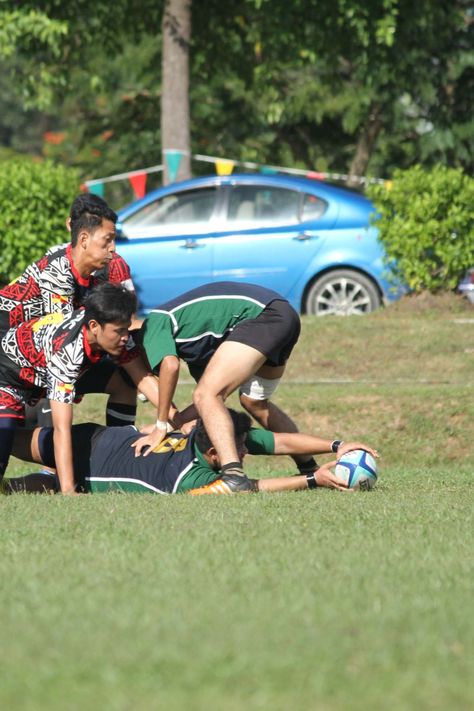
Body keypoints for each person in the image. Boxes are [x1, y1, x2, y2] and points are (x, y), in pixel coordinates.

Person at [133, 281, 320, 481]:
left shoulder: (153, 323)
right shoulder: (196, 348)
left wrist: (161, 425)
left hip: (265, 316)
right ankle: (309, 467)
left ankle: (233, 474)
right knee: (254, 402)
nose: (153, 370)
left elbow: (170, 366)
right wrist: (177, 423)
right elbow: (210, 406)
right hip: (284, 316)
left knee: (207, 394)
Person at [0, 283, 159, 495]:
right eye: (119, 331)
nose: (125, 336)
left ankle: (119, 452)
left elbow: (143, 378)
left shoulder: (107, 326)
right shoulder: (67, 352)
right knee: (6, 435)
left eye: (126, 328)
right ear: (94, 326)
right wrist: (69, 490)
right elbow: (62, 428)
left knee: (122, 381)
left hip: (41, 374)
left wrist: (174, 419)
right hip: (8, 377)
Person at [0, 193, 140, 428]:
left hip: (41, 349)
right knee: (54, 391)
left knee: (123, 382)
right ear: (83, 236)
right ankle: (51, 463)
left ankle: (118, 453)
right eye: (107, 240)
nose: (112, 249)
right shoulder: (58, 270)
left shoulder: (111, 266)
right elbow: (60, 344)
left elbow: (125, 320)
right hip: (12, 351)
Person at [6, 409, 378, 495]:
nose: (244, 452)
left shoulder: (214, 435)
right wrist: (314, 479)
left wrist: (338, 445)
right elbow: (243, 489)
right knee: (7, 440)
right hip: (89, 454)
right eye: (238, 449)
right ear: (216, 454)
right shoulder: (191, 477)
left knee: (14, 489)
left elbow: (279, 442)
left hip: (93, 446)